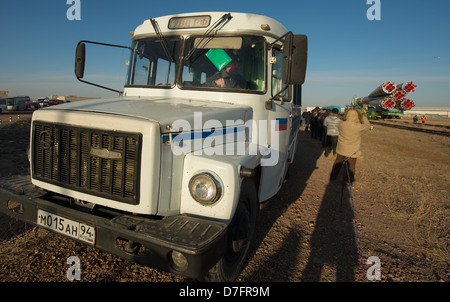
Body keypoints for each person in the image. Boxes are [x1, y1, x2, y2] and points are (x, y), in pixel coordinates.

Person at [329, 109, 370, 184]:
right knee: (351, 167)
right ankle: (347, 181)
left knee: (338, 163)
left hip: (341, 149)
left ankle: (333, 177)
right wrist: (363, 117)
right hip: (352, 151)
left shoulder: (341, 124)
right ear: (356, 116)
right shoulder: (358, 127)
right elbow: (367, 126)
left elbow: (341, 120)